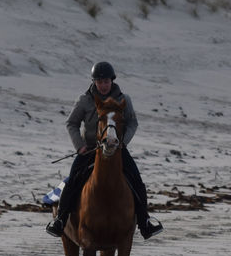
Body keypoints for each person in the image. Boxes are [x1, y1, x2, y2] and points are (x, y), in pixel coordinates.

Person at [45, 61, 164, 241]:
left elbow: (132, 122)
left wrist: (123, 141)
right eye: (99, 82)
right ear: (94, 82)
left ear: (112, 81)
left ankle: (145, 222)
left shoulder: (124, 100)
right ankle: (60, 221)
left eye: (106, 81)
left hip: (117, 149)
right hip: (89, 150)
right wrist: (80, 146)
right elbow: (72, 123)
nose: (103, 85)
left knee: (137, 181)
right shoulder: (84, 100)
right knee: (72, 180)